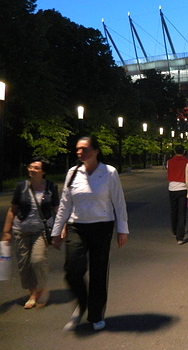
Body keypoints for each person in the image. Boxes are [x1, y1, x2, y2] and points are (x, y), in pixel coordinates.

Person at [51, 136, 129, 331]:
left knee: (98, 272)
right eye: (78, 149)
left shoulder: (109, 172)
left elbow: (118, 202)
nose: (80, 152)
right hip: (77, 226)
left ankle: (95, 315)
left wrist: (122, 228)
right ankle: (82, 301)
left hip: (102, 226)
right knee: (72, 270)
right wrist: (56, 230)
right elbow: (64, 204)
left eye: (84, 149)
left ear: (95, 151)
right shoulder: (72, 173)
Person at [1, 156, 59, 309]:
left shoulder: (51, 187)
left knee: (38, 259)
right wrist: (6, 232)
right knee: (24, 265)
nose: (32, 170)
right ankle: (32, 293)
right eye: (30, 167)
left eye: (36, 168)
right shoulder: (22, 186)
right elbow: (12, 210)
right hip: (21, 230)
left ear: (43, 172)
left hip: (40, 230)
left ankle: (42, 288)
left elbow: (56, 210)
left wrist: (60, 229)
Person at [167, 145, 188, 244]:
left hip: (172, 187)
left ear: (174, 151)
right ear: (184, 151)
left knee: (173, 210)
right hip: (183, 188)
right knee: (182, 212)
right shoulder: (187, 162)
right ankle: (180, 237)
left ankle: (175, 230)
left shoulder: (169, 161)